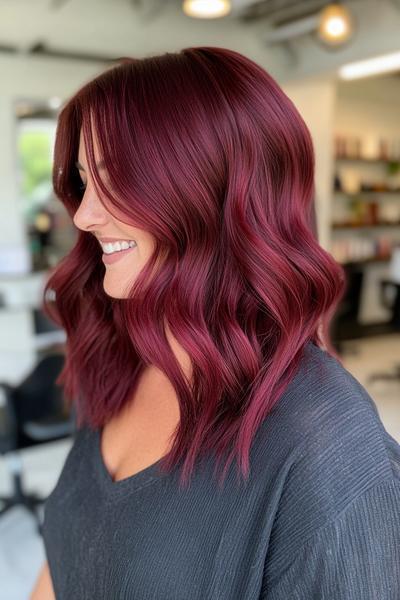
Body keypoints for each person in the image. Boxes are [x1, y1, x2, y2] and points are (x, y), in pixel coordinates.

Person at [30, 47, 400, 600]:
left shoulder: (329, 449)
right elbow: (70, 553)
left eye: (117, 179)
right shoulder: (121, 358)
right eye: (84, 181)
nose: (83, 215)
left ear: (214, 191)